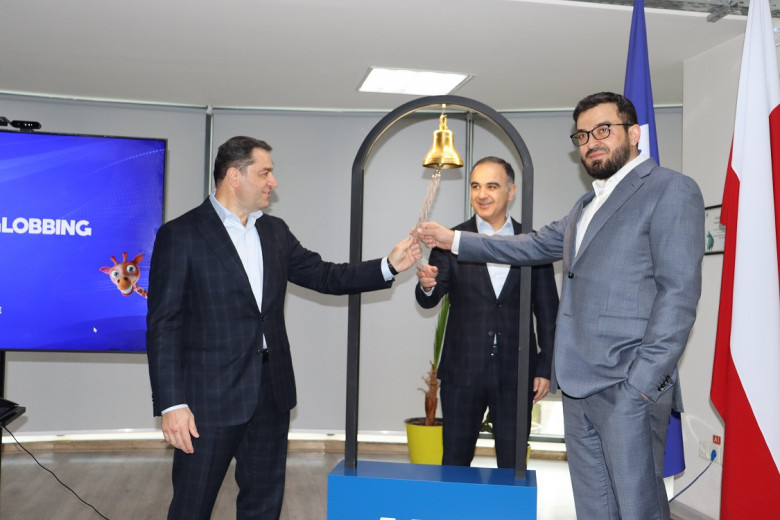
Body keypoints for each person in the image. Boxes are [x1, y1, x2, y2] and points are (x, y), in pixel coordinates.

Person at [417, 92, 704, 520]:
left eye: (603, 130)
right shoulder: (586, 206)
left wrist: (641, 384)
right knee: (594, 509)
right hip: (578, 389)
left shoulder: (670, 190)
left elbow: (678, 295)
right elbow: (529, 246)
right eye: (582, 135)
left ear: (634, 133)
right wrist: (452, 239)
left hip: (627, 388)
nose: (591, 142)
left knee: (637, 509)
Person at [146, 136, 421, 520]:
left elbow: (325, 275)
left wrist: (387, 267)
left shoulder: (274, 232)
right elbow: (163, 325)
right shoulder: (181, 234)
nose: (273, 182)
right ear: (234, 176)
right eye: (265, 173)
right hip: (207, 402)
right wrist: (172, 404)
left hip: (271, 394)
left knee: (264, 507)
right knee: (191, 508)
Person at [415, 156, 559, 468]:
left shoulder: (534, 242)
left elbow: (548, 312)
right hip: (462, 371)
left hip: (517, 372)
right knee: (455, 462)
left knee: (513, 465)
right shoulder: (449, 240)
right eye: (476, 186)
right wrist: (426, 285)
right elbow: (430, 298)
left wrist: (545, 367)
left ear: (511, 192)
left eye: (492, 186)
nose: (482, 194)